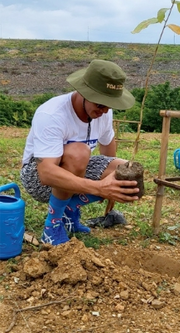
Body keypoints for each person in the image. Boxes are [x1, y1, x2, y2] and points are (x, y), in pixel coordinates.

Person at [19, 60, 140, 245]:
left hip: (75, 169)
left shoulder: (104, 113)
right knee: (79, 152)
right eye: (100, 104)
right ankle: (51, 228)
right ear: (84, 92)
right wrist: (99, 188)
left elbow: (109, 152)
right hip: (38, 176)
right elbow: (46, 174)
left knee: (127, 173)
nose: (104, 110)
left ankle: (70, 210)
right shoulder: (52, 114)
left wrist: (113, 183)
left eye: (109, 105)